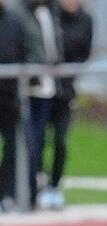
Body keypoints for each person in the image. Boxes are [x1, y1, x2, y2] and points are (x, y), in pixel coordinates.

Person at [38, 0, 92, 210]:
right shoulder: (50, 15)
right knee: (38, 139)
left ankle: (54, 185)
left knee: (61, 139)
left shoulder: (85, 20)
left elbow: (84, 53)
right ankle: (39, 180)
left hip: (65, 90)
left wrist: (68, 77)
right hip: (43, 89)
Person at [19, 0, 62, 210]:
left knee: (42, 141)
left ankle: (37, 191)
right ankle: (25, 192)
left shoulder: (50, 13)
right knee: (28, 142)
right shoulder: (21, 13)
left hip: (48, 88)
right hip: (26, 89)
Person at [0, 0, 26, 212]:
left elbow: (22, 52)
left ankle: (5, 193)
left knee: (11, 148)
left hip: (8, 97)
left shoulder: (14, 21)